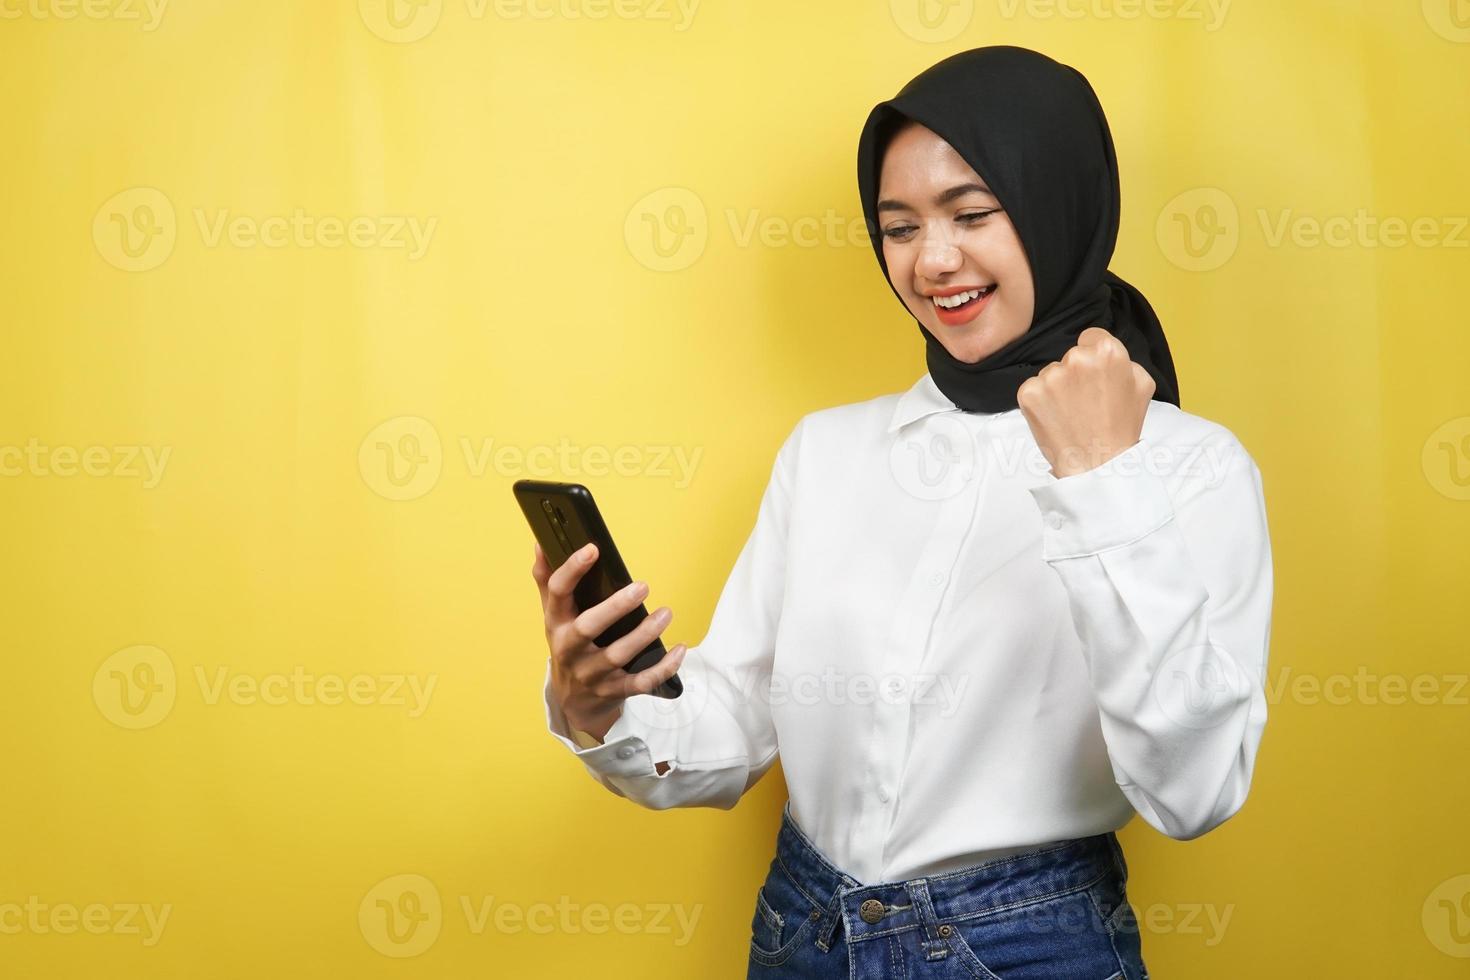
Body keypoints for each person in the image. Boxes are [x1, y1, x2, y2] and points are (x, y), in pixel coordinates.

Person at [532, 45, 1272, 979]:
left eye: (973, 213)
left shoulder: (1190, 466)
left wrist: (1099, 480)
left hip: (1028, 945)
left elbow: (1193, 791)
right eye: (899, 226)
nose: (934, 260)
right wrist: (603, 711)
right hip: (802, 931)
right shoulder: (827, 450)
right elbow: (729, 729)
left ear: (1057, 204)